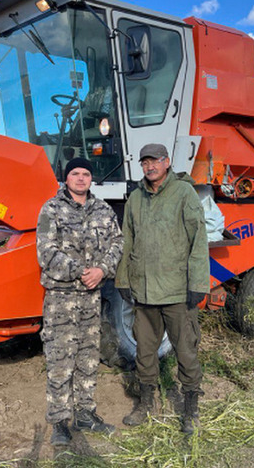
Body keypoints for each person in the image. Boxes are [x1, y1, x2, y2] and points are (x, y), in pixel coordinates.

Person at [115, 143, 210, 435]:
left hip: (177, 292)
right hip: (143, 292)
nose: (150, 166)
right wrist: (122, 279)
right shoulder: (135, 198)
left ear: (167, 162)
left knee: (186, 351)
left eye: (155, 161)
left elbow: (198, 241)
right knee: (144, 351)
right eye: (144, 162)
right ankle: (146, 404)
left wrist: (197, 285)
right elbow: (127, 240)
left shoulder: (184, 194)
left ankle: (190, 408)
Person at [36, 157, 123, 445]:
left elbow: (117, 244)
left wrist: (102, 270)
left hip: (91, 297)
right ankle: (60, 423)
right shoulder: (51, 209)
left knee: (88, 358)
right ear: (66, 178)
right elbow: (45, 252)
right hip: (61, 298)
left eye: (86, 174)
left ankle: (85, 415)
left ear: (91, 179)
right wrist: (81, 272)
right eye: (76, 173)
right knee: (60, 360)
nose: (81, 178)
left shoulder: (104, 210)